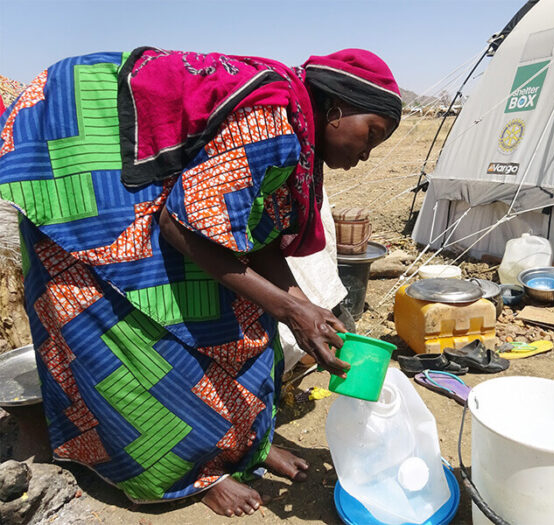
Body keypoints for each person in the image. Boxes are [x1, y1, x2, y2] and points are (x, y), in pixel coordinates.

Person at [0, 47, 401, 517]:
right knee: (120, 333)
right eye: (370, 134)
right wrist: (292, 311)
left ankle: (242, 444)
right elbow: (181, 226)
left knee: (245, 319)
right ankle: (185, 477)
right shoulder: (272, 125)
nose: (367, 154)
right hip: (74, 175)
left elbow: (257, 234)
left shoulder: (297, 136)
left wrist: (303, 307)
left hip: (159, 197)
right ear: (336, 109)